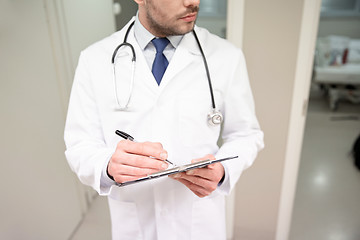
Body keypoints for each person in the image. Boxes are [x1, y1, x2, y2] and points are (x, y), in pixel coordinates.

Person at [64, 0, 264, 239]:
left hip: (198, 222)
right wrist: (108, 167)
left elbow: (246, 134)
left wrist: (223, 170)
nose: (193, 2)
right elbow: (79, 145)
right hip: (135, 223)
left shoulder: (226, 57)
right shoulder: (94, 59)